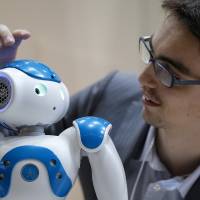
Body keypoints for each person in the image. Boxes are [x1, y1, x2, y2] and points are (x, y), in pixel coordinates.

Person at [0, 0, 200, 199]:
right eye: (151, 53)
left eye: (167, 72)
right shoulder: (109, 97)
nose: (143, 78)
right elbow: (18, 140)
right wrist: (9, 99)